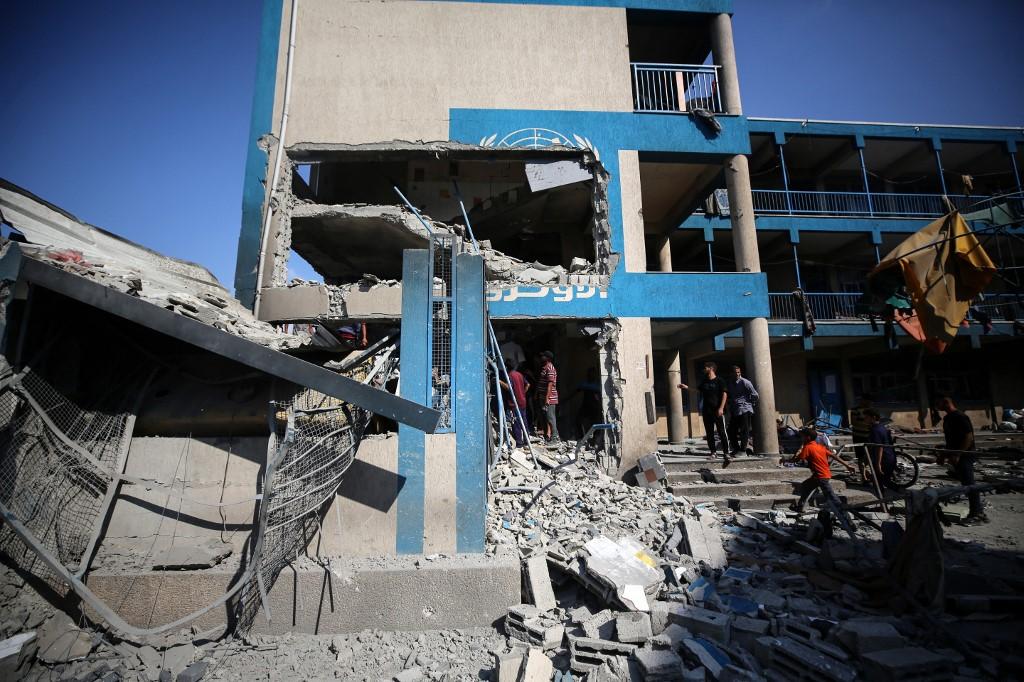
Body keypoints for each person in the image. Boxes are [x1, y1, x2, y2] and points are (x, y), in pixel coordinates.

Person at [937, 396, 986, 525]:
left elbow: (968, 437)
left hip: (965, 455)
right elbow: (950, 439)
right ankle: (978, 511)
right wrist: (944, 454)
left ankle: (977, 514)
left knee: (970, 485)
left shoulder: (960, 417)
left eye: (938, 403)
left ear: (946, 402)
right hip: (955, 455)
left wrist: (958, 454)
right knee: (966, 484)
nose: (937, 406)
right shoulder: (947, 418)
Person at [786, 426, 855, 513]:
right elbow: (834, 455)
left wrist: (786, 460)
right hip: (824, 475)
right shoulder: (820, 446)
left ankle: (842, 510)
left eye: (802, 436)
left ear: (808, 437)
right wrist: (847, 465)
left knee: (831, 495)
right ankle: (800, 506)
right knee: (806, 485)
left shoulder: (808, 448)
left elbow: (797, 460)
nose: (801, 438)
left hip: (820, 476)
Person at [696, 361, 729, 461]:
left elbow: (725, 394)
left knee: (722, 432)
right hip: (707, 411)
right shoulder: (705, 381)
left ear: (711, 368)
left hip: (717, 411)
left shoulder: (720, 380)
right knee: (709, 433)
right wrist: (686, 388)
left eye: (705, 367)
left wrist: (721, 408)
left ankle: (726, 453)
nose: (704, 369)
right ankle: (713, 452)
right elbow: (698, 390)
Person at [726, 365, 759, 455]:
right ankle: (736, 448)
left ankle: (743, 450)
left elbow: (755, 395)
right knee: (731, 430)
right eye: (735, 372)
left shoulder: (745, 382)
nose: (737, 374)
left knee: (744, 430)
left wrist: (750, 403)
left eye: (738, 372)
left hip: (745, 409)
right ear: (731, 373)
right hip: (735, 409)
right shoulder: (730, 383)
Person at [864, 409, 896, 491]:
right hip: (890, 457)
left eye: (867, 417)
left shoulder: (875, 430)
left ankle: (883, 500)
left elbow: (879, 447)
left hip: (883, 459)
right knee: (884, 481)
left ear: (873, 418)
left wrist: (878, 464)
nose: (865, 419)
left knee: (879, 483)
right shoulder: (882, 427)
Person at [503, 359, 530, 448]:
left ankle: (519, 443)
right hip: (522, 401)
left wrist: (499, 382)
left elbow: (508, 387)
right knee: (524, 421)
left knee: (516, 423)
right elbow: (528, 385)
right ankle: (527, 440)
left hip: (515, 403)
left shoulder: (510, 375)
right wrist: (522, 393)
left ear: (506, 367)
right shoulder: (519, 374)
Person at [536, 351, 560, 444]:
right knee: (547, 417)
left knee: (550, 417)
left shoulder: (550, 368)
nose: (542, 357)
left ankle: (555, 438)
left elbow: (550, 384)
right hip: (543, 397)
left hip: (550, 398)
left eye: (544, 356)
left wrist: (547, 398)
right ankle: (552, 436)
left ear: (548, 358)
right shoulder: (544, 368)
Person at [572, 367, 603, 439]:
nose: (590, 375)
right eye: (589, 374)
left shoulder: (597, 385)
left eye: (592, 374)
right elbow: (575, 392)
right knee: (578, 420)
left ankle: (594, 438)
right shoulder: (585, 384)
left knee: (595, 423)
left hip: (594, 407)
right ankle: (583, 437)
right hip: (586, 406)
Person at [848, 394, 874, 479]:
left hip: (869, 436)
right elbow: (854, 422)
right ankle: (864, 477)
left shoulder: (871, 410)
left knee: (870, 456)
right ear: (863, 400)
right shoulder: (855, 410)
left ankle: (867, 472)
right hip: (858, 436)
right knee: (861, 456)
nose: (869, 403)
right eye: (867, 401)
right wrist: (867, 423)